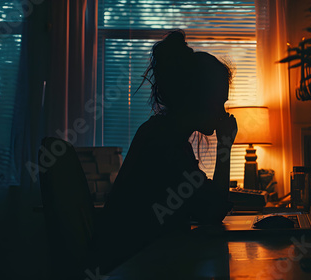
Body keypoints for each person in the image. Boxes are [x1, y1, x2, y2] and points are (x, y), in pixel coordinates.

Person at [94, 30, 237, 272]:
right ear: (198, 97)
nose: (223, 113)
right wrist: (225, 145)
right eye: (219, 102)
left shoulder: (163, 134)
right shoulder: (166, 144)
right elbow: (211, 211)